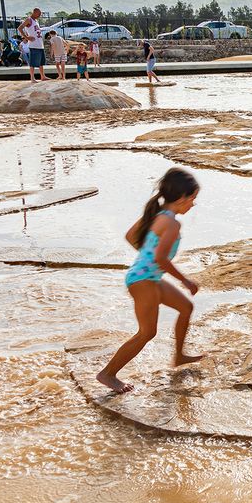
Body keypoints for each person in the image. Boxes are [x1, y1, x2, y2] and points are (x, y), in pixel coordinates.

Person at [97, 168, 202, 394]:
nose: (193, 204)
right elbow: (161, 258)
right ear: (182, 198)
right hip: (143, 280)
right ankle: (107, 374)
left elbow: (130, 236)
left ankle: (179, 355)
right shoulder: (172, 224)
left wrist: (146, 257)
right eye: (192, 199)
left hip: (147, 277)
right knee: (147, 332)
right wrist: (186, 281)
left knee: (186, 307)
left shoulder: (157, 214)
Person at [17, 8, 46, 82]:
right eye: (39, 14)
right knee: (33, 62)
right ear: (35, 13)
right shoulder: (29, 20)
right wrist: (26, 37)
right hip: (33, 45)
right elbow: (20, 28)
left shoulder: (36, 21)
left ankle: (42, 76)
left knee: (41, 62)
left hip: (39, 44)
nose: (39, 16)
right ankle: (32, 78)